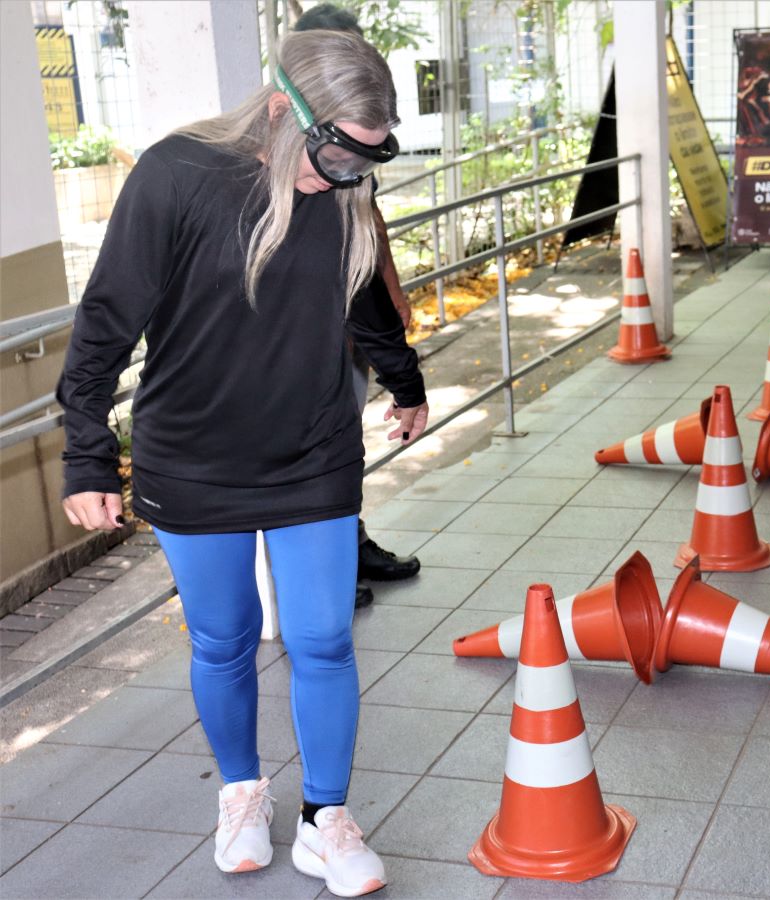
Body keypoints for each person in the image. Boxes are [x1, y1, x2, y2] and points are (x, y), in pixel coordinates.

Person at [56, 30, 429, 895]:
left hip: (314, 452)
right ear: (278, 113)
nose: (345, 178)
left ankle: (326, 819)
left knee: (323, 638)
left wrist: (406, 383)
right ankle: (241, 794)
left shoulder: (341, 188)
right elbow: (105, 323)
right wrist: (86, 457)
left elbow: (363, 293)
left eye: (365, 162)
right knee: (223, 640)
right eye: (336, 156)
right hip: (193, 457)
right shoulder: (176, 174)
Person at [293, 2, 419, 610]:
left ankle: (350, 542)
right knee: (311, 445)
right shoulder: (292, 139)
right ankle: (321, 568)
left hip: (354, 318)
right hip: (303, 331)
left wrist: (390, 293)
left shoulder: (361, 124)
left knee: (344, 438)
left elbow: (367, 218)